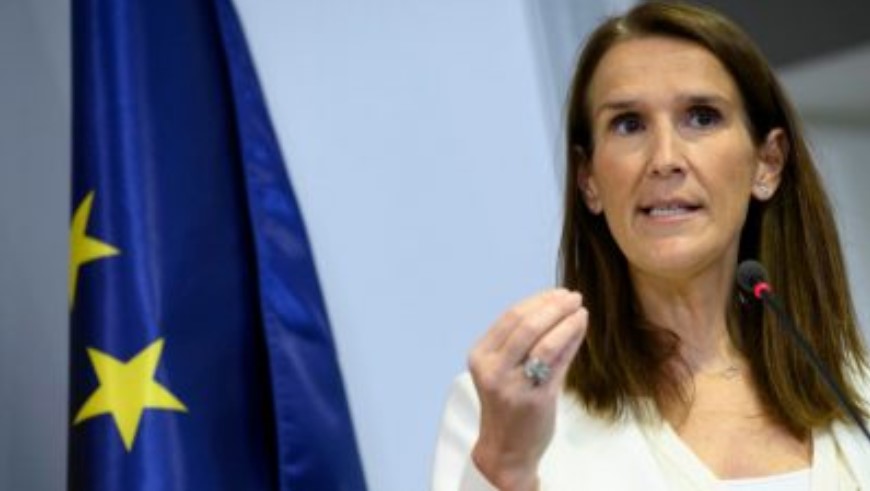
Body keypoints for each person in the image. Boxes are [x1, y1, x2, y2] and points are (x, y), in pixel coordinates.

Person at [431, 2, 870, 490]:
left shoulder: (859, 394)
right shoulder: (500, 417)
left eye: (701, 117)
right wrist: (507, 466)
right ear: (589, 179)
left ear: (767, 163)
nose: (664, 159)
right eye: (629, 124)